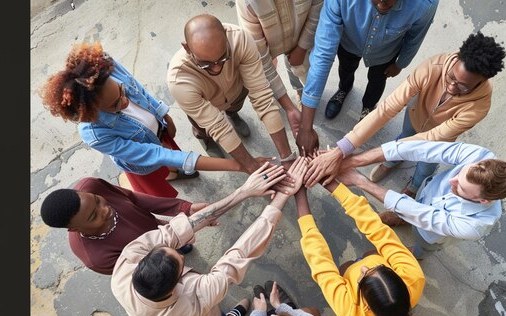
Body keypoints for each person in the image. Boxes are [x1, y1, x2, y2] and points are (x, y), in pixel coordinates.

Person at [111, 159, 309, 316]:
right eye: (182, 261)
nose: (182, 251)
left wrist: (243, 192)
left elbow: (176, 230)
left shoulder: (125, 265)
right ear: (176, 285)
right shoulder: (199, 296)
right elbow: (240, 253)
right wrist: (283, 195)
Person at [303, 31, 506, 198]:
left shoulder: (479, 106)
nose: (452, 87)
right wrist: (341, 150)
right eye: (450, 77)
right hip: (415, 114)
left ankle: (416, 184)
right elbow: (387, 109)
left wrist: (349, 161)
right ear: (454, 63)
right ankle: (392, 161)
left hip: (439, 139)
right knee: (403, 137)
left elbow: (429, 140)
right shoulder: (433, 66)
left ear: (481, 81)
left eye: (462, 87)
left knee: (426, 165)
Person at [40, 42, 246, 198]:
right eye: (113, 105)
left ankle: (176, 171)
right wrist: (237, 165)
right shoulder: (95, 134)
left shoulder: (108, 68)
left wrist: (164, 114)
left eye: (121, 91)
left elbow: (139, 89)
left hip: (158, 133)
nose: (125, 101)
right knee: (164, 191)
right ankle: (173, 176)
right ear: (91, 112)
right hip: (145, 164)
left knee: (172, 156)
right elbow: (154, 154)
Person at [293, 167, 425, 316]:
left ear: (368, 306)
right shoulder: (414, 276)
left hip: (363, 268)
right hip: (377, 274)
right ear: (399, 277)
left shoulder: (350, 312)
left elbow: (320, 262)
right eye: (380, 267)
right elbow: (376, 228)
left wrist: (299, 194)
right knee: (366, 257)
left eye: (363, 276)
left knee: (347, 268)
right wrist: (331, 183)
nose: (363, 266)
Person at [296, 0, 439, 153]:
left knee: (377, 81)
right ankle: (343, 90)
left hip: (385, 53)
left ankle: (368, 107)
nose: (382, 4)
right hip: (349, 43)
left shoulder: (425, 5)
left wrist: (400, 64)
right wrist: (305, 126)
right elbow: (322, 55)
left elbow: (415, 38)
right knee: (345, 69)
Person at [336, 140, 506, 259]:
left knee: (422, 248)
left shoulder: (475, 225)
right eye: (459, 174)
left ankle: (414, 255)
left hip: (429, 234)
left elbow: (421, 214)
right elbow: (421, 149)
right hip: (424, 194)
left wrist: (361, 181)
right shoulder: (481, 158)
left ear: (483, 201)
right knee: (409, 208)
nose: (450, 180)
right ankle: (399, 217)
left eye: (460, 187)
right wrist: (352, 160)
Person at [167, 14, 299, 174]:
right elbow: (218, 127)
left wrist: (286, 157)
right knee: (204, 128)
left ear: (226, 35)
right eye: (206, 64)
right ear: (187, 48)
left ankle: (233, 115)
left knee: (234, 107)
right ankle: (206, 139)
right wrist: (251, 166)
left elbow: (262, 97)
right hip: (206, 107)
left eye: (223, 58)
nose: (216, 68)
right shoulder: (178, 79)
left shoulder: (240, 39)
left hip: (236, 92)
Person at [39, 177, 204, 275]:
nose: (105, 209)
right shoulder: (97, 259)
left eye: (97, 200)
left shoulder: (91, 185)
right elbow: (147, 272)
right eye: (94, 216)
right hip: (157, 258)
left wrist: (183, 208)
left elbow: (134, 199)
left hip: (160, 229)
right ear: (74, 229)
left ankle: (181, 246)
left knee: (183, 246)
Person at [235, 0, 324, 125]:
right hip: (267, 43)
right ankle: (275, 94)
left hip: (300, 32)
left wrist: (301, 47)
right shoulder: (246, 3)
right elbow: (261, 60)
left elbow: (317, 11)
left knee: (298, 62)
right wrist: (289, 107)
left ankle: (299, 89)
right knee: (264, 72)